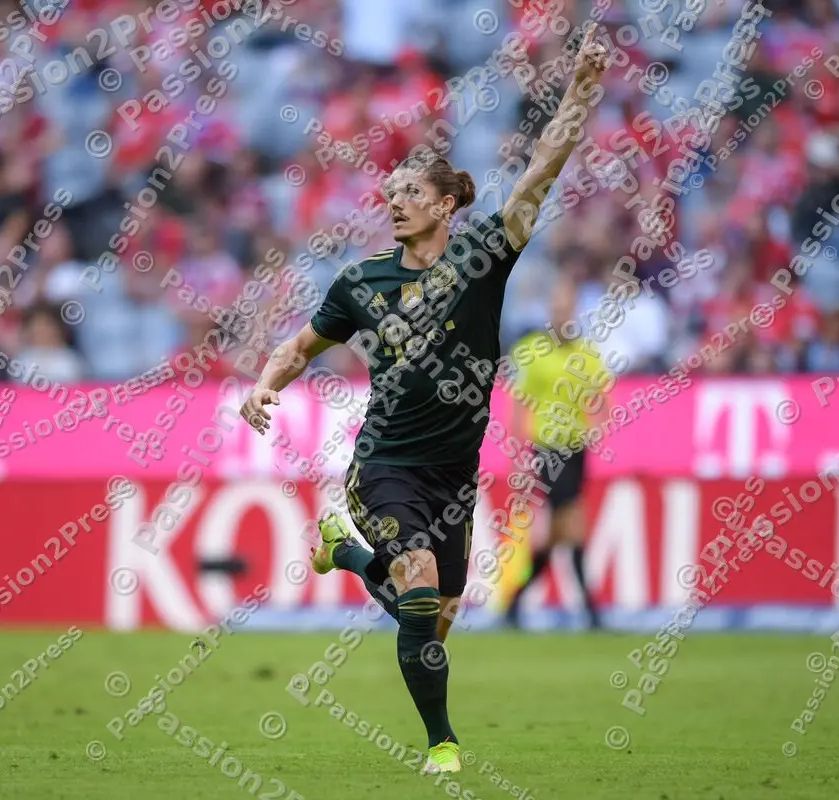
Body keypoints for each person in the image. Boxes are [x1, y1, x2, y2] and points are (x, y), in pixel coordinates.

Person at [239, 25, 611, 776]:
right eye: (392, 193)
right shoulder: (359, 282)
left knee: (434, 616)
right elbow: (302, 344)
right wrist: (266, 384)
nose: (396, 201)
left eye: (413, 192)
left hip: (454, 477)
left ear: (448, 204)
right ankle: (443, 743)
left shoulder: (482, 258)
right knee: (416, 586)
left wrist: (579, 91)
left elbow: (541, 169)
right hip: (386, 464)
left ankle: (346, 552)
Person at [503, 277, 609, 630]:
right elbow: (520, 401)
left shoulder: (587, 355)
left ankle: (516, 602)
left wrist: (599, 426)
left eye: (567, 308)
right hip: (547, 448)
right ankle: (591, 611)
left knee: (558, 532)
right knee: (574, 524)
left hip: (577, 448)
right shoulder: (533, 351)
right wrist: (519, 446)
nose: (562, 314)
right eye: (557, 308)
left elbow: (601, 398)